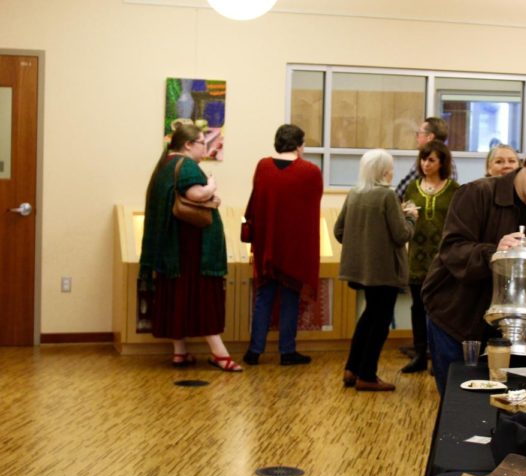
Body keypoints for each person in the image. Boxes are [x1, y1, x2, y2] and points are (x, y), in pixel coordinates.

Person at [422, 132, 526, 395]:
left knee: (501, 405)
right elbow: (452, 250)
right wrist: (494, 252)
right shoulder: (476, 194)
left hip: (508, 336)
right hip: (454, 319)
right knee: (458, 404)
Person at [139, 123, 242, 372]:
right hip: (191, 249)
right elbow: (195, 195)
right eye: (202, 143)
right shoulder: (185, 166)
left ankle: (180, 352)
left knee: (177, 296)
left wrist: (210, 197)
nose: (205, 148)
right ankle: (219, 353)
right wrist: (211, 188)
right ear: (187, 145)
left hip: (172, 250)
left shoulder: (164, 165)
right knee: (201, 296)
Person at [335, 149, 418, 391]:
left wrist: (361, 245)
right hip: (384, 271)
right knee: (380, 323)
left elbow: (339, 231)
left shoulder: (355, 193)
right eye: (391, 167)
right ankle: (367, 375)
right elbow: (401, 234)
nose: (393, 171)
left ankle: (351, 368)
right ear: (384, 171)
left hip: (360, 269)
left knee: (368, 316)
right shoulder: (387, 196)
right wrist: (411, 218)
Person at [242, 124, 323, 366]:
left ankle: (254, 351)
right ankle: (287, 351)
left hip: (267, 243)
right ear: (299, 145)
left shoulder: (263, 166)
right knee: (290, 297)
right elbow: (311, 208)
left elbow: (256, 202)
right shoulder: (310, 171)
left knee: (264, 296)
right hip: (294, 247)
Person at [399, 141, 460, 374]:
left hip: (443, 260)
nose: (426, 164)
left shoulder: (454, 189)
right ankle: (419, 355)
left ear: (442, 162)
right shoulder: (412, 188)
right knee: (418, 308)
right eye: (423, 159)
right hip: (416, 258)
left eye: (431, 160)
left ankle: (439, 357)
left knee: (441, 310)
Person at [395, 117, 457, 197]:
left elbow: (402, 192)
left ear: (430, 137)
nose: (417, 137)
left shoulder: (426, 160)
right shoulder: (449, 160)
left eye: (419, 133)